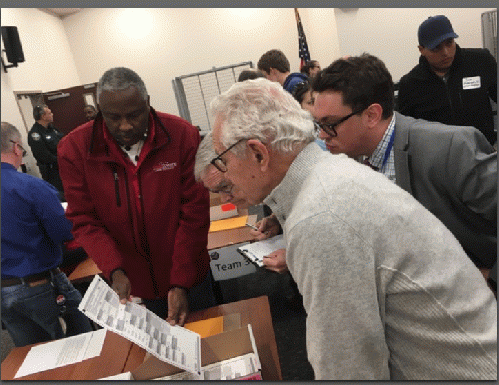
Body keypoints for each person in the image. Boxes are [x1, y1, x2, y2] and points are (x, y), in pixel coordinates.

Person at [209, 78, 497, 380]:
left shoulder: (320, 215)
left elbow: (348, 368)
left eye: (222, 159)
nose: (223, 174)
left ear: (258, 153)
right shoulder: (331, 175)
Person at [312, 53, 497, 294]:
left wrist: (490, 278)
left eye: (330, 124)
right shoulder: (354, 159)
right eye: (318, 124)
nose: (322, 135)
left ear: (371, 115)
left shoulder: (451, 149)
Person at [57, 67, 215, 326]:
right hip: (133, 285)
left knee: (207, 340)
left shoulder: (181, 136)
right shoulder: (74, 149)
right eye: (113, 117)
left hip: (190, 275)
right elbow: (84, 219)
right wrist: (114, 268)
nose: (125, 126)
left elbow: (194, 213)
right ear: (99, 110)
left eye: (134, 115)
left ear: (148, 103)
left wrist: (180, 282)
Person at [1, 122, 93, 347]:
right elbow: (64, 231)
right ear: (16, 148)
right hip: (39, 286)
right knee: (80, 346)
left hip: (4, 294)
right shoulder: (31, 187)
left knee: (32, 356)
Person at [397, 15, 497, 146]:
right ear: (422, 50)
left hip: (484, 150)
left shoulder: (481, 62)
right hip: (439, 159)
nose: (445, 52)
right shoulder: (409, 85)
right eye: (436, 48)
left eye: (449, 43)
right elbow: (405, 135)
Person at [28, 104, 65, 198]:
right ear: (43, 116)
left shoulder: (52, 128)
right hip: (52, 173)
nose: (52, 114)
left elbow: (64, 141)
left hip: (63, 168)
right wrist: (62, 160)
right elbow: (44, 156)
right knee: (60, 196)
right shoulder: (35, 134)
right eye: (49, 113)